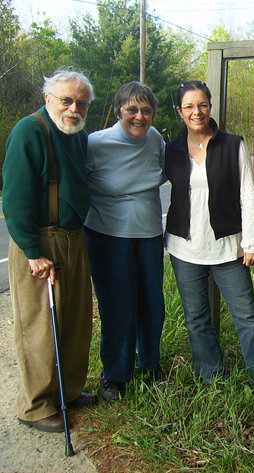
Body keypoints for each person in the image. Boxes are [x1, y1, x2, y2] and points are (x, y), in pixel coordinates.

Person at [165, 80, 254, 390]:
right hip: (184, 249)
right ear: (179, 111)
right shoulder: (172, 149)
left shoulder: (232, 145)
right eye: (189, 106)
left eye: (202, 105)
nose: (196, 112)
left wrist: (252, 243)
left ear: (210, 107)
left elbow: (249, 195)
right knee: (196, 318)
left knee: (248, 316)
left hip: (228, 248)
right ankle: (212, 377)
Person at [2, 68, 97, 433]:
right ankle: (36, 406)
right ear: (48, 99)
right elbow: (15, 198)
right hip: (41, 241)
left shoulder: (78, 134)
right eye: (67, 100)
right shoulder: (30, 130)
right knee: (40, 325)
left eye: (82, 103)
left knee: (75, 320)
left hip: (73, 237)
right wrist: (32, 251)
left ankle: (67, 392)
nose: (74, 108)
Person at [84, 81, 166, 401]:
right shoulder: (96, 143)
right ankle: (115, 375)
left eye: (146, 110)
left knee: (152, 306)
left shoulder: (155, 138)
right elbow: (75, 184)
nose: (139, 116)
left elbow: (166, 171)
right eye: (132, 109)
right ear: (118, 110)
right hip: (108, 237)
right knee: (118, 307)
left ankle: (150, 365)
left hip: (148, 235)